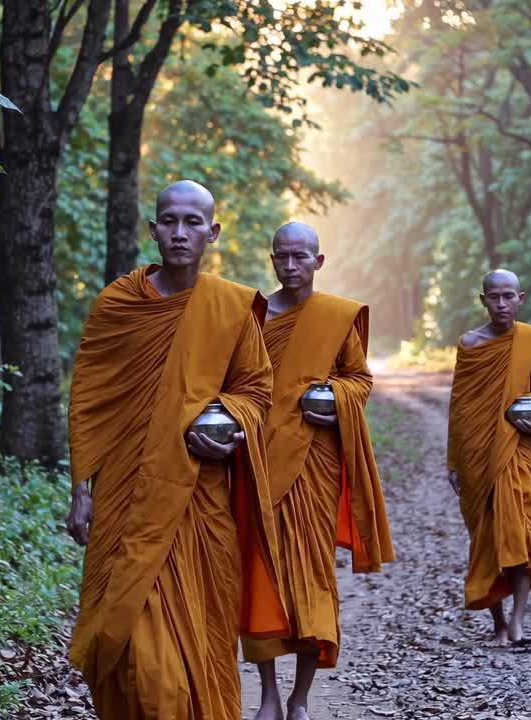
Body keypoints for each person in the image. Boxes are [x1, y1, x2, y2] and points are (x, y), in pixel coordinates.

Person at [66, 180, 287, 719]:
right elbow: (90, 400)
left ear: (213, 232)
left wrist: (224, 421)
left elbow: (256, 391)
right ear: (153, 229)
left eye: (193, 222)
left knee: (193, 644)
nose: (180, 232)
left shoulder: (233, 307)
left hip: (197, 494)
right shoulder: (119, 305)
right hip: (124, 492)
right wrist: (79, 489)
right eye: (169, 221)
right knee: (127, 647)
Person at [243, 222, 394, 720]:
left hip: (314, 461)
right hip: (261, 460)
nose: (291, 265)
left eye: (300, 256)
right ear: (272, 260)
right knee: (262, 577)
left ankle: (300, 697)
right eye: (282, 256)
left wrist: (335, 405)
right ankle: (267, 693)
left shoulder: (336, 317)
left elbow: (359, 380)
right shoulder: (254, 317)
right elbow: (237, 382)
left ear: (319, 261)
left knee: (312, 578)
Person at [446, 269, 531, 646]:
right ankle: (496, 624)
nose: (502, 304)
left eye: (509, 296)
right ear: (483, 300)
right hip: (477, 453)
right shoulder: (471, 344)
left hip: (517, 449)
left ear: (521, 299)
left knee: (522, 534)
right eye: (494, 297)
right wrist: (454, 462)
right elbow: (460, 407)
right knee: (487, 537)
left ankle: (518, 622)